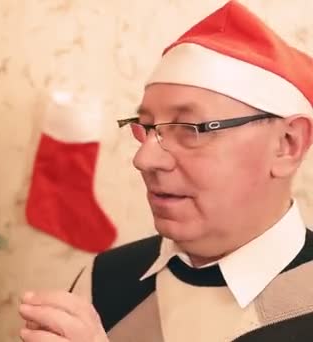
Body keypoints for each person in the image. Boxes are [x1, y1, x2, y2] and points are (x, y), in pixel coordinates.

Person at [18, 1, 313, 341]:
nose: (145, 158)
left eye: (190, 127)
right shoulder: (103, 281)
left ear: (287, 144)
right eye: (145, 126)